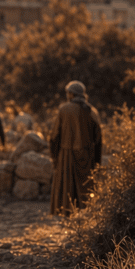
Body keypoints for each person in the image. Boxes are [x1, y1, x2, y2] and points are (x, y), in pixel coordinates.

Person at [49, 80, 103, 216]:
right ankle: (86, 212)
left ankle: (67, 212)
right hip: (86, 153)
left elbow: (55, 136)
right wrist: (97, 160)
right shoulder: (91, 111)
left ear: (72, 94)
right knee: (85, 186)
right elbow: (98, 138)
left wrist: (55, 156)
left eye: (68, 92)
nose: (67, 95)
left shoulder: (64, 109)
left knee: (67, 185)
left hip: (66, 153)